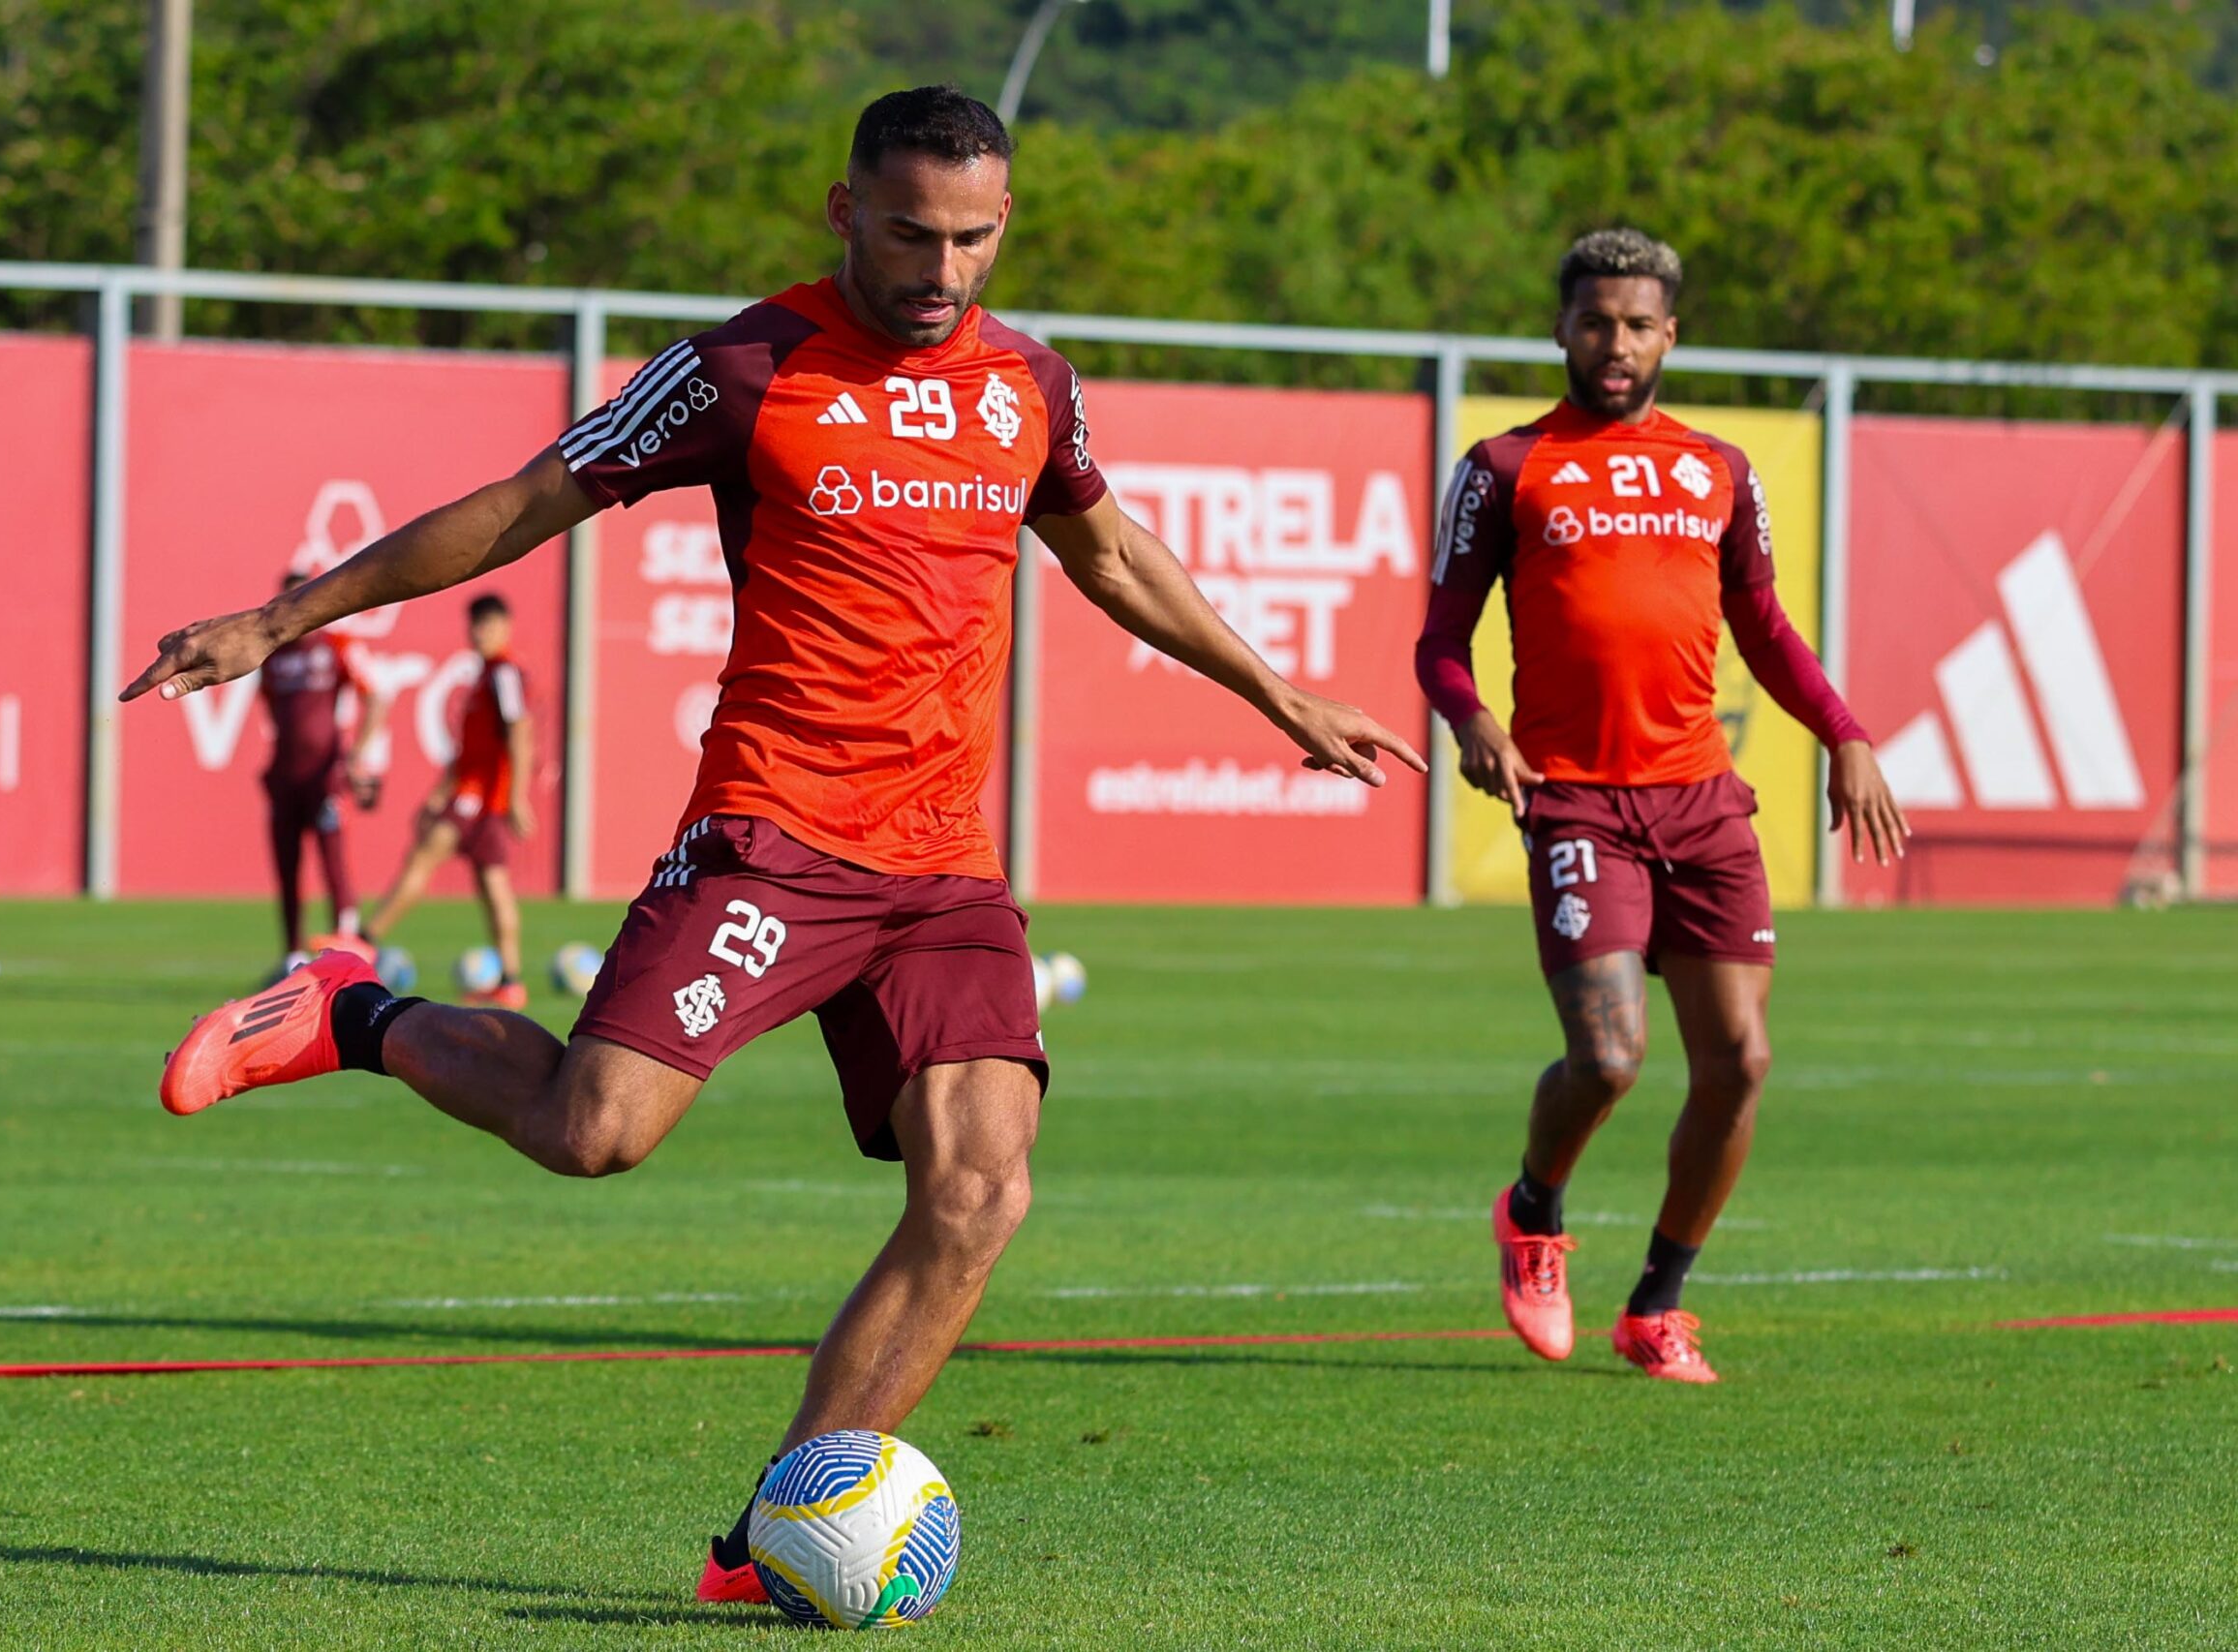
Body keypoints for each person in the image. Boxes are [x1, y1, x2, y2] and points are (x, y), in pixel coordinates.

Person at [123, 85, 1420, 1599]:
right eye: (914, 234)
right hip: (775, 833)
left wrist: (1277, 692)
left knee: (980, 1190)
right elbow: (526, 503)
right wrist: (283, 616)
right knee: (589, 1133)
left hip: (943, 867)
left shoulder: (1033, 387)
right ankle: (352, 1009)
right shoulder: (742, 366)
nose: (945, 272)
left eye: (978, 239)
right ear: (843, 208)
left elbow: (1112, 552)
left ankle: (774, 1536)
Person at [1417, 228, 1909, 1385]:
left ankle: (1656, 1304)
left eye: (1638, 323)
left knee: (1738, 1060)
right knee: (1609, 1056)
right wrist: (1472, 721)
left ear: (1670, 333)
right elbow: (1442, 636)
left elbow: (1766, 629)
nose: (1616, 343)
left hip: (1701, 804)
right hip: (1578, 800)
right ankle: (1533, 1212)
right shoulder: (1504, 464)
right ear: (1561, 328)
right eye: (1596, 321)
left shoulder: (1718, 469)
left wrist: (1844, 733)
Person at [360, 594, 536, 1010]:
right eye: (476, 625)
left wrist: (516, 798)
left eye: (489, 625)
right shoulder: (485, 675)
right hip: (471, 794)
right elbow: (469, 750)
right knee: (492, 886)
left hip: (483, 798)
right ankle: (511, 981)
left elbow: (521, 734)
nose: (481, 633)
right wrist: (439, 792)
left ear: (505, 627)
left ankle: (361, 945)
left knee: (424, 858)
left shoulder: (505, 673)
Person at [256, 570, 387, 969]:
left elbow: (376, 695)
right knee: (286, 863)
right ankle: (292, 954)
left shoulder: (335, 646)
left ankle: (348, 949)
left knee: (333, 858)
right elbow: (275, 712)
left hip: (324, 775)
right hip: (284, 775)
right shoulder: (272, 656)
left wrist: (357, 753)